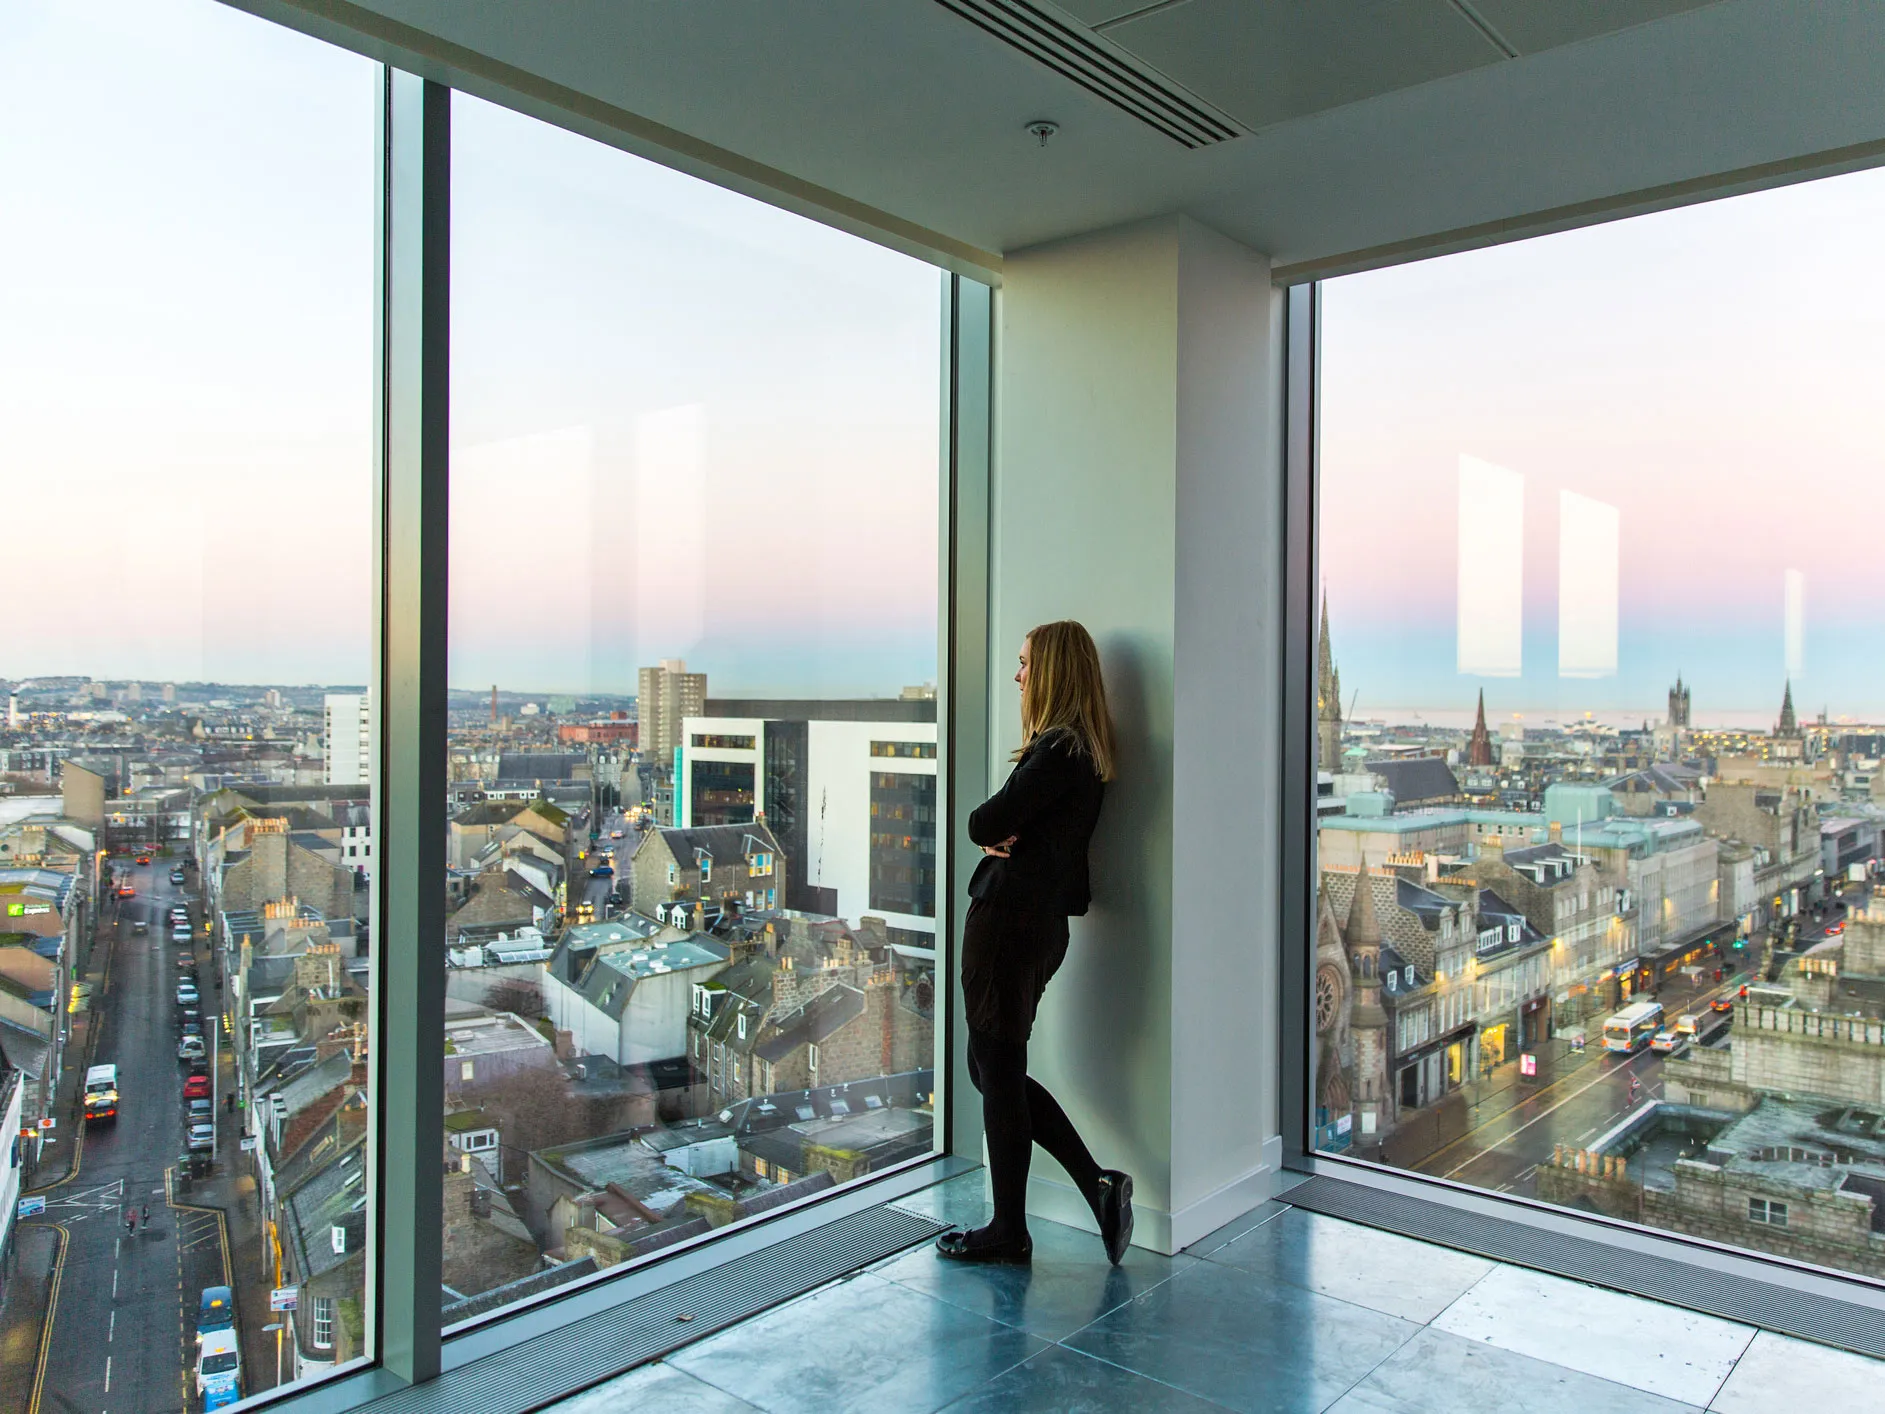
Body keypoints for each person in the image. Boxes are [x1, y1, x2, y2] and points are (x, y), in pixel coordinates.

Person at [937, 620, 1133, 1267]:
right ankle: (1094, 1186)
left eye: (1024, 664)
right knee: (992, 1069)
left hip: (1007, 925)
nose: (1017, 676)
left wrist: (994, 832)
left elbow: (982, 822)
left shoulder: (1057, 751)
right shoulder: (1085, 754)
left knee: (995, 1070)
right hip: (1039, 927)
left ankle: (1009, 1229)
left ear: (1049, 671)